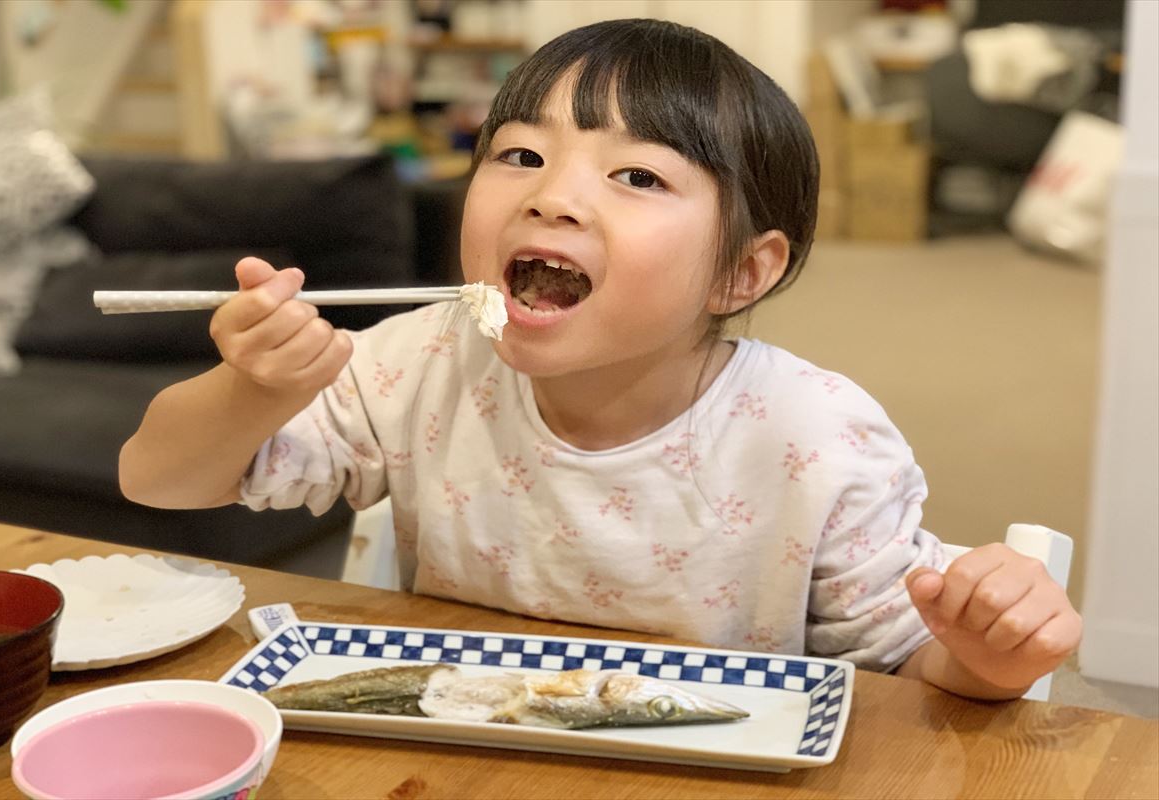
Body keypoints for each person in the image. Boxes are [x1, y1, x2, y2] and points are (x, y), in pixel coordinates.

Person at [120, 19, 1081, 700]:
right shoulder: (422, 360)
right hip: (468, 740)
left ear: (741, 273)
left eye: (635, 175)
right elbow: (158, 482)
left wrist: (992, 654)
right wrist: (251, 389)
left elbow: (918, 669)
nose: (553, 198)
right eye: (520, 156)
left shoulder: (817, 438)